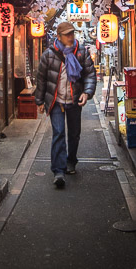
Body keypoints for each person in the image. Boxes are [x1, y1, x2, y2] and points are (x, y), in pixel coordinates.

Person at [34, 21, 97, 188]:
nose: (70, 37)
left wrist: (87, 92)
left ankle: (71, 161)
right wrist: (39, 101)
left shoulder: (81, 51)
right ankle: (58, 171)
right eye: (67, 34)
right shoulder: (49, 54)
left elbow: (90, 74)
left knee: (74, 133)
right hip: (56, 100)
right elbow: (41, 79)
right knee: (59, 133)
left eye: (72, 33)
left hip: (75, 99)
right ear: (59, 37)